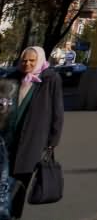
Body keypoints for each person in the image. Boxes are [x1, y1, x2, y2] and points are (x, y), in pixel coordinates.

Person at [3, 47, 64, 216]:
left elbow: (57, 112)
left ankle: (13, 215)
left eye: (31, 61)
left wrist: (52, 142)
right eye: (24, 60)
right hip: (7, 141)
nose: (27, 64)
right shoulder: (12, 78)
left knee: (19, 184)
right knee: (3, 181)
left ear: (39, 61)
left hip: (32, 142)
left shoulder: (50, 79)